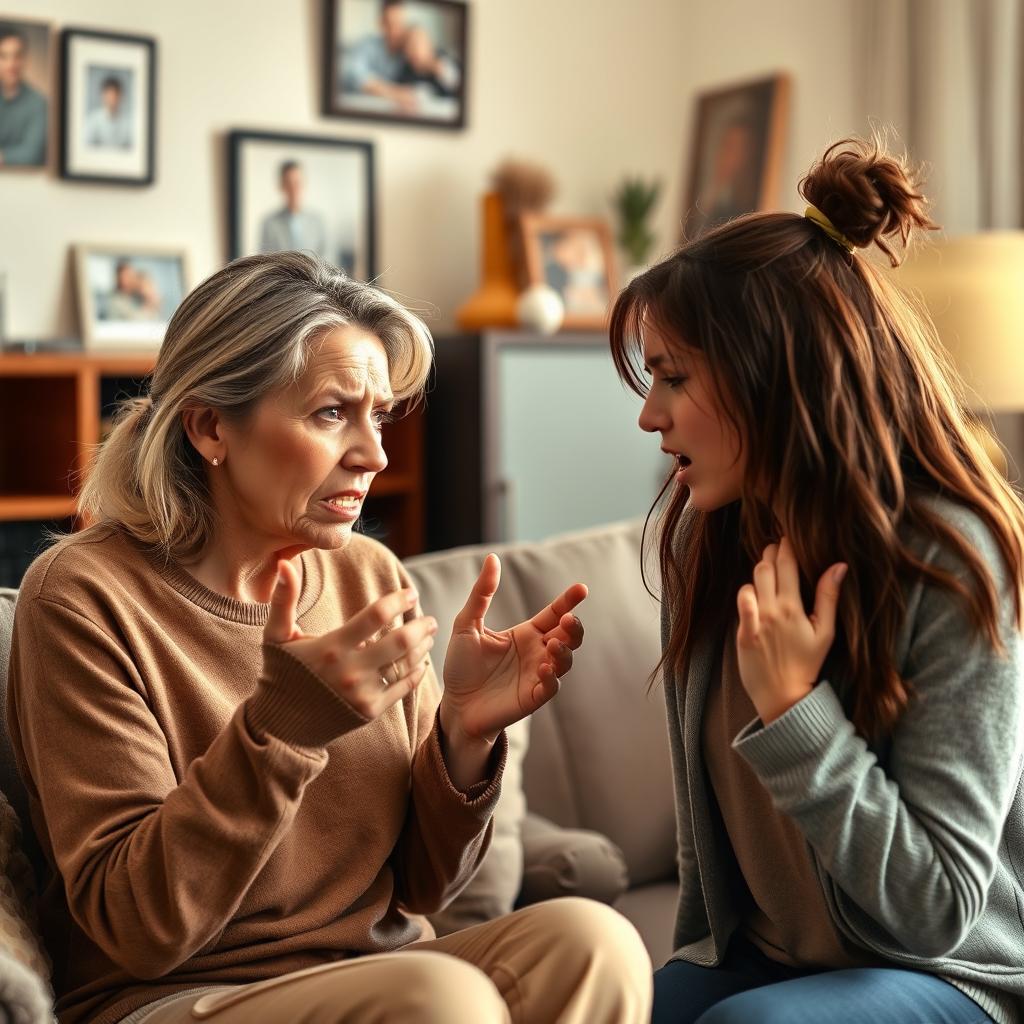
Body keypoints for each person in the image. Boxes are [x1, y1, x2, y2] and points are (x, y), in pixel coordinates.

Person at [7, 252, 653, 1024]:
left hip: (377, 969)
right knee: (441, 1000)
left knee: (593, 940)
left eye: (378, 414)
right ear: (211, 426)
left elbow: (420, 890)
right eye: (330, 413)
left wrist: (462, 739)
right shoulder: (85, 596)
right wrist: (279, 730)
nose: (374, 454)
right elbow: (141, 929)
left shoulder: (369, 574)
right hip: (174, 997)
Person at [609, 135, 1024, 1024]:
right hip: (765, 963)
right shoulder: (705, 549)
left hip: (957, 976)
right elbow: (707, 866)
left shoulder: (952, 557)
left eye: (674, 378)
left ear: (774, 376)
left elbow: (942, 908)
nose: (650, 415)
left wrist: (797, 712)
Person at [341, 0, 460, 115]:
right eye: (390, 24)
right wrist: (396, 93)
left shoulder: (427, 58)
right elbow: (354, 74)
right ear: (381, 23)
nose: (395, 30)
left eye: (399, 23)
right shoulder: (367, 45)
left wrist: (434, 65)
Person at [259, 160, 329, 258]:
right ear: (282, 186)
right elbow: (265, 262)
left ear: (304, 184)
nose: (293, 189)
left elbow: (328, 260)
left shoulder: (318, 222)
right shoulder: (270, 223)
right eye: (288, 183)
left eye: (297, 183)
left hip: (315, 273)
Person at [0, 23, 47, 167]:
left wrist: (3, 157)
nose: (11, 64)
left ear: (25, 59)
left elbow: (32, 154)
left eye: (17, 56)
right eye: (4, 56)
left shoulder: (39, 103)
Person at [84, 74, 132, 149]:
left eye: (115, 95)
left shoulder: (128, 122)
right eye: (109, 95)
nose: (112, 99)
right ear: (103, 95)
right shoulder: (93, 119)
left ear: (120, 96)